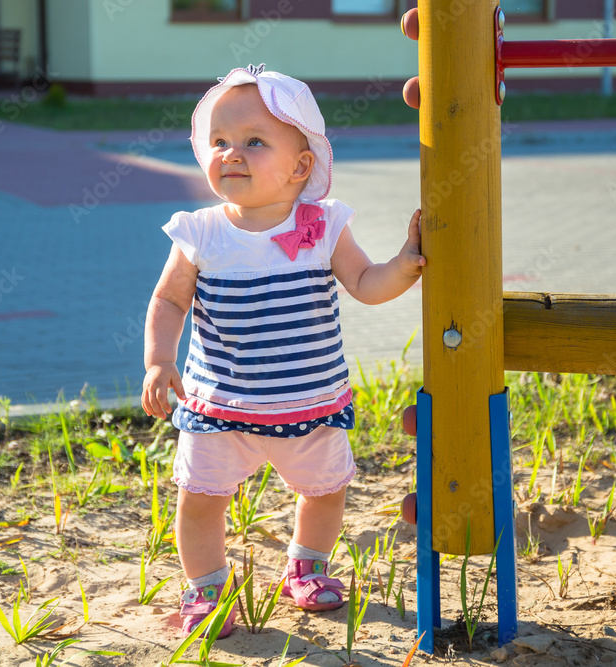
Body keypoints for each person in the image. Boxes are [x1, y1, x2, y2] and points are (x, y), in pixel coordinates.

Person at [141, 64, 424, 639]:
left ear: (301, 166)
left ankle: (307, 565)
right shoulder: (200, 232)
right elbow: (169, 300)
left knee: (324, 493)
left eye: (253, 141)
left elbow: (366, 283)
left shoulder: (321, 226)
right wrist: (159, 359)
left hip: (310, 404)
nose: (231, 153)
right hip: (219, 408)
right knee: (199, 502)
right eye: (219, 142)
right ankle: (208, 589)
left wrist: (405, 265)